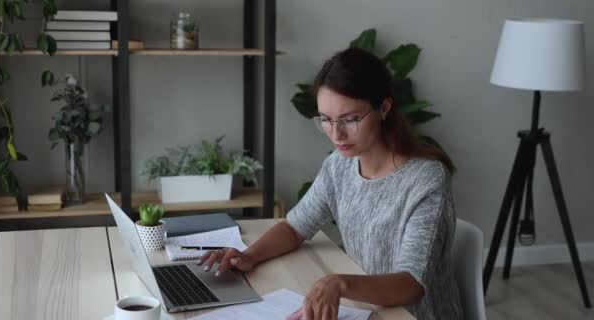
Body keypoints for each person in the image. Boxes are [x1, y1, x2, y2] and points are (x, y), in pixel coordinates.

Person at [198, 47, 463, 320]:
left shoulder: (426, 179)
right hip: (366, 309)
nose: (336, 133)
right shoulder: (340, 164)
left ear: (384, 108)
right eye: (326, 120)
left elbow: (412, 284)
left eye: (350, 119)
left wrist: (339, 283)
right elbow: (294, 227)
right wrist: (249, 257)